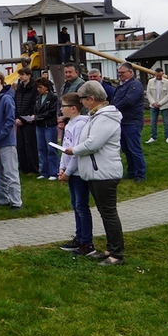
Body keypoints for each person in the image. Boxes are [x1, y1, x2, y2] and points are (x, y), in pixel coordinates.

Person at [62, 81, 126, 266]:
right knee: (105, 212)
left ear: (91, 99)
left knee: (109, 213)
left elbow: (93, 144)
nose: (81, 102)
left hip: (105, 173)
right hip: (96, 173)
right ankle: (111, 249)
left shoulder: (105, 117)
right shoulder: (96, 116)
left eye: (83, 99)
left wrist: (73, 150)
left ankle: (117, 254)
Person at [57, 92, 94, 256]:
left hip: (78, 172)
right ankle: (79, 237)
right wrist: (62, 167)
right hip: (70, 171)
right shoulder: (69, 125)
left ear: (73, 108)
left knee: (81, 206)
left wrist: (68, 171)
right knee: (75, 205)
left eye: (63, 106)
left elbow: (77, 152)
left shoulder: (80, 125)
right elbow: (65, 148)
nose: (61, 109)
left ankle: (87, 242)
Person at [0, 71, 22, 209]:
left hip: (6, 142)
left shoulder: (7, 99)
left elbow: (9, 120)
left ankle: (16, 202)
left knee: (10, 173)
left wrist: (0, 135)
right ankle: (2, 199)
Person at [112, 62, 147, 181]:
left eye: (122, 72)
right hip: (122, 121)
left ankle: (140, 174)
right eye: (119, 73)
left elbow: (128, 101)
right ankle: (131, 171)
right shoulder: (121, 85)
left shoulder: (135, 85)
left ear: (130, 72)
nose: (120, 75)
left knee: (134, 149)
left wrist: (113, 108)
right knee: (126, 149)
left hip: (132, 121)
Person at [14, 67, 40, 175]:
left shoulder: (34, 88)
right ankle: (23, 168)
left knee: (30, 144)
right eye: (20, 75)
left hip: (29, 120)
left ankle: (33, 168)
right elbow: (15, 103)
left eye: (23, 74)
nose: (21, 77)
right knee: (20, 145)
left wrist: (23, 118)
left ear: (29, 75)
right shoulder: (19, 88)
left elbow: (34, 104)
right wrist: (16, 117)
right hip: (20, 120)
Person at [32, 77, 60, 179]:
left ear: (46, 87)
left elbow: (51, 112)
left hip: (49, 126)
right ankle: (44, 171)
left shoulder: (53, 97)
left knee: (51, 149)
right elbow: (35, 110)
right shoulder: (38, 98)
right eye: (37, 87)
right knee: (41, 148)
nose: (39, 89)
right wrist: (34, 116)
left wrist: (37, 117)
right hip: (39, 126)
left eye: (41, 87)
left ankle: (54, 172)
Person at [146, 68, 168, 144]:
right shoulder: (150, 81)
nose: (158, 77)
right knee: (153, 121)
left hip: (164, 105)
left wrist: (160, 103)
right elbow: (148, 93)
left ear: (162, 74)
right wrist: (153, 102)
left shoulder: (167, 82)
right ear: (155, 74)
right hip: (153, 105)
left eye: (160, 75)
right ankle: (153, 137)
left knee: (166, 122)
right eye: (157, 75)